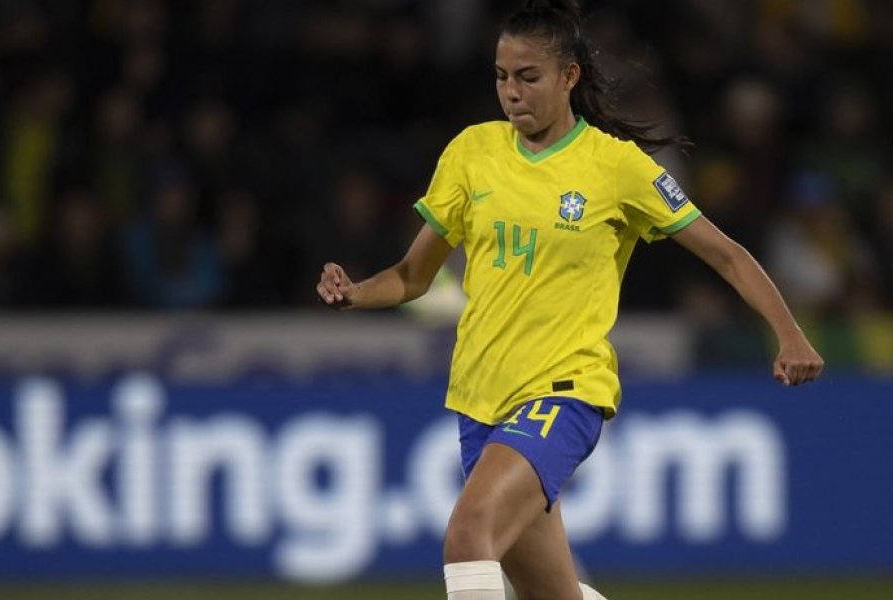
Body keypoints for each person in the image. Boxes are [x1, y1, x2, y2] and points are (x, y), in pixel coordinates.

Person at [314, 2, 824, 599]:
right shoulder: (472, 152)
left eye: (528, 76)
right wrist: (356, 293)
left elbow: (728, 255)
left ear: (568, 76)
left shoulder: (617, 167)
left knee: (468, 535)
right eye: (502, 76)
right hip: (479, 400)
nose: (512, 92)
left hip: (564, 392)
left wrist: (790, 334)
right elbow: (412, 276)